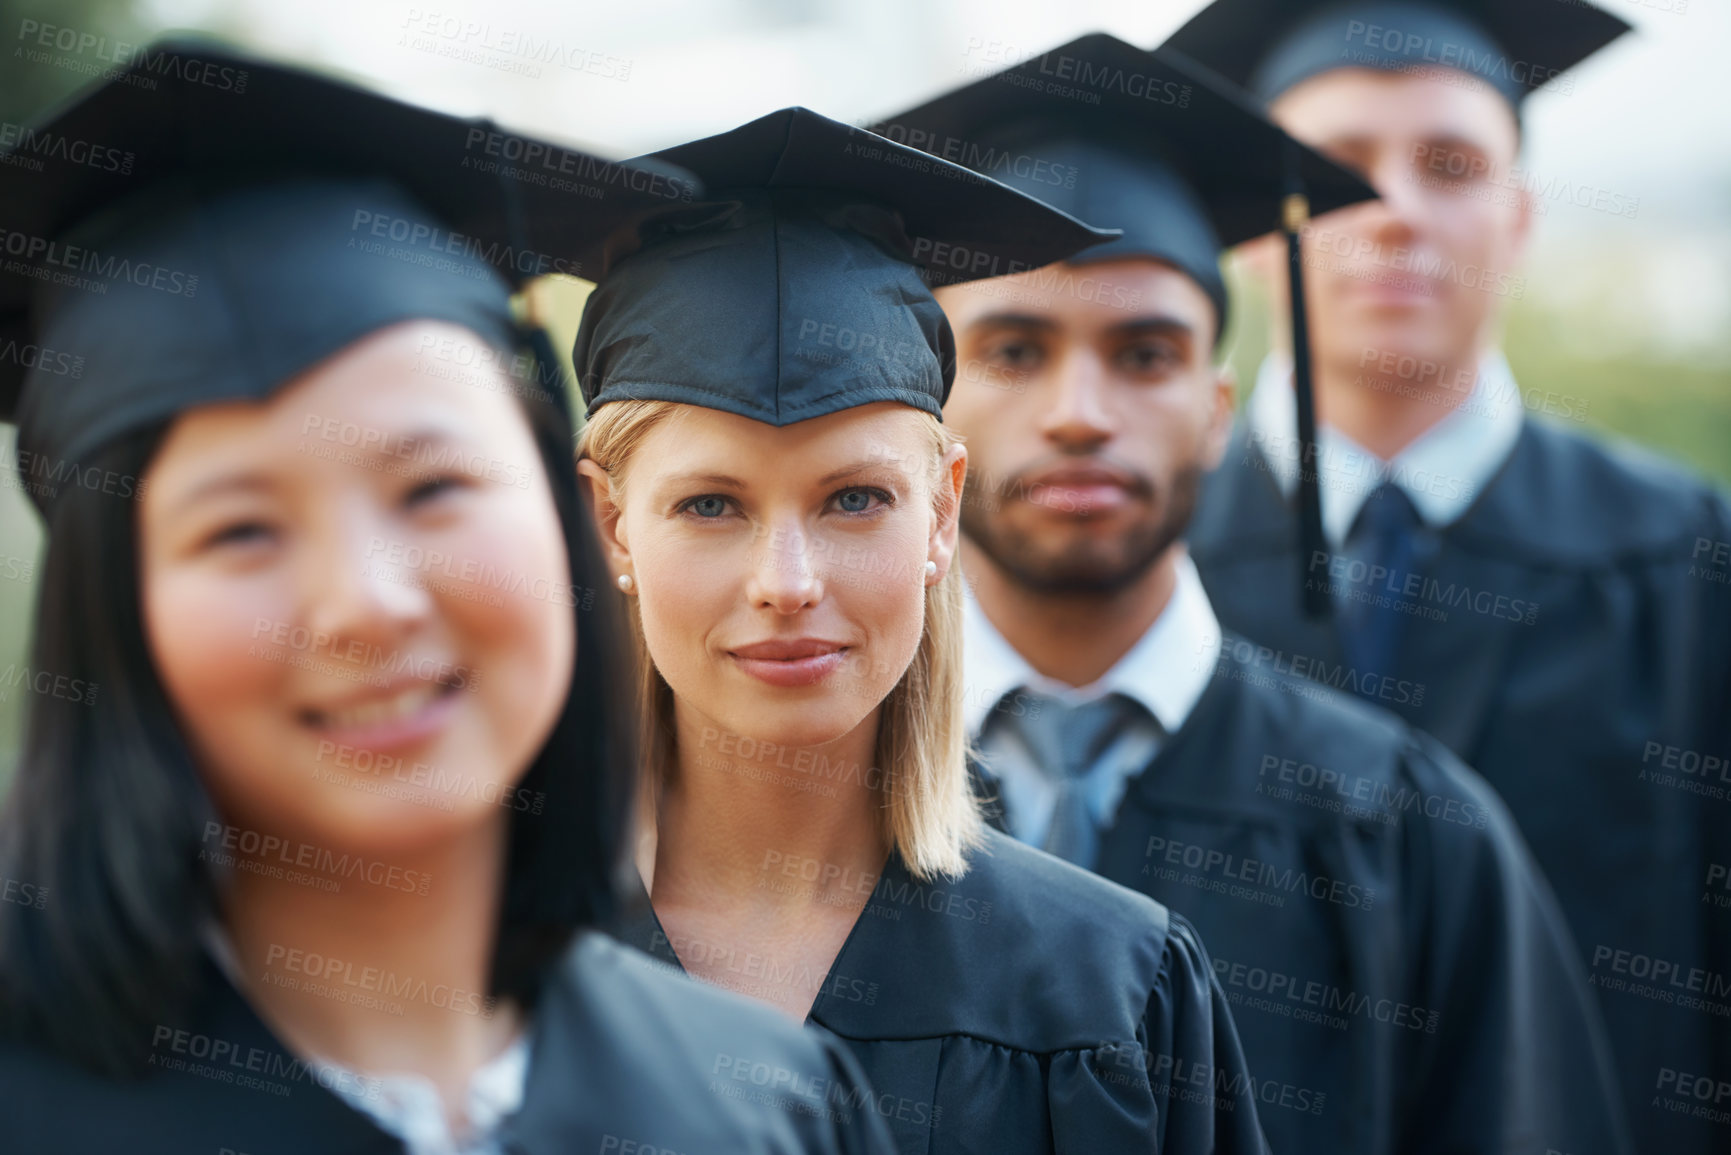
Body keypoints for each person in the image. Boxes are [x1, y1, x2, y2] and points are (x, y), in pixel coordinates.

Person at [0, 42, 896, 1155]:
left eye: (433, 488)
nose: (367, 604)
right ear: (111, 603)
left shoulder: (762, 1108)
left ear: (569, 513)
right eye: (240, 529)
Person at [877, 31, 1632, 1155]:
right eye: (1015, 350)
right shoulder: (813, 804)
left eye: (1145, 354)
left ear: (1219, 412)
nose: (1081, 411)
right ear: (927, 415)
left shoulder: (1411, 834)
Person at [574, 104, 1270, 1154]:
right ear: (612, 523)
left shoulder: (1113, 991)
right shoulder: (467, 967)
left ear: (943, 510)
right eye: (709, 505)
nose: (786, 582)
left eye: (855, 500)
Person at [1162, 4, 1731, 1150]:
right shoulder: (1135, 557)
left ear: (1518, 221)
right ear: (1253, 234)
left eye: (1452, 165)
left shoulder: (1685, 559)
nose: (1395, 211)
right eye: (1336, 167)